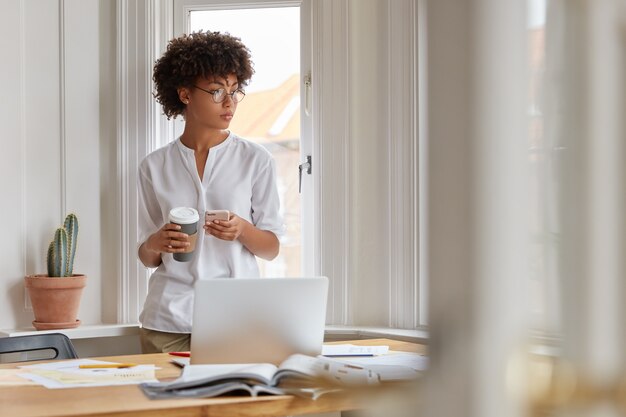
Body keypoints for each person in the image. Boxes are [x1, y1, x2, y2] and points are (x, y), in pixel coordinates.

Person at [136, 31, 284, 353]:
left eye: (235, 91)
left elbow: (271, 248)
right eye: (217, 91)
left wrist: (242, 229)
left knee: (232, 404)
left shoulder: (255, 160)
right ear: (185, 94)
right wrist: (155, 242)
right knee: (163, 402)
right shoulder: (154, 166)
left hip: (236, 320)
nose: (229, 102)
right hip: (167, 321)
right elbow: (147, 257)